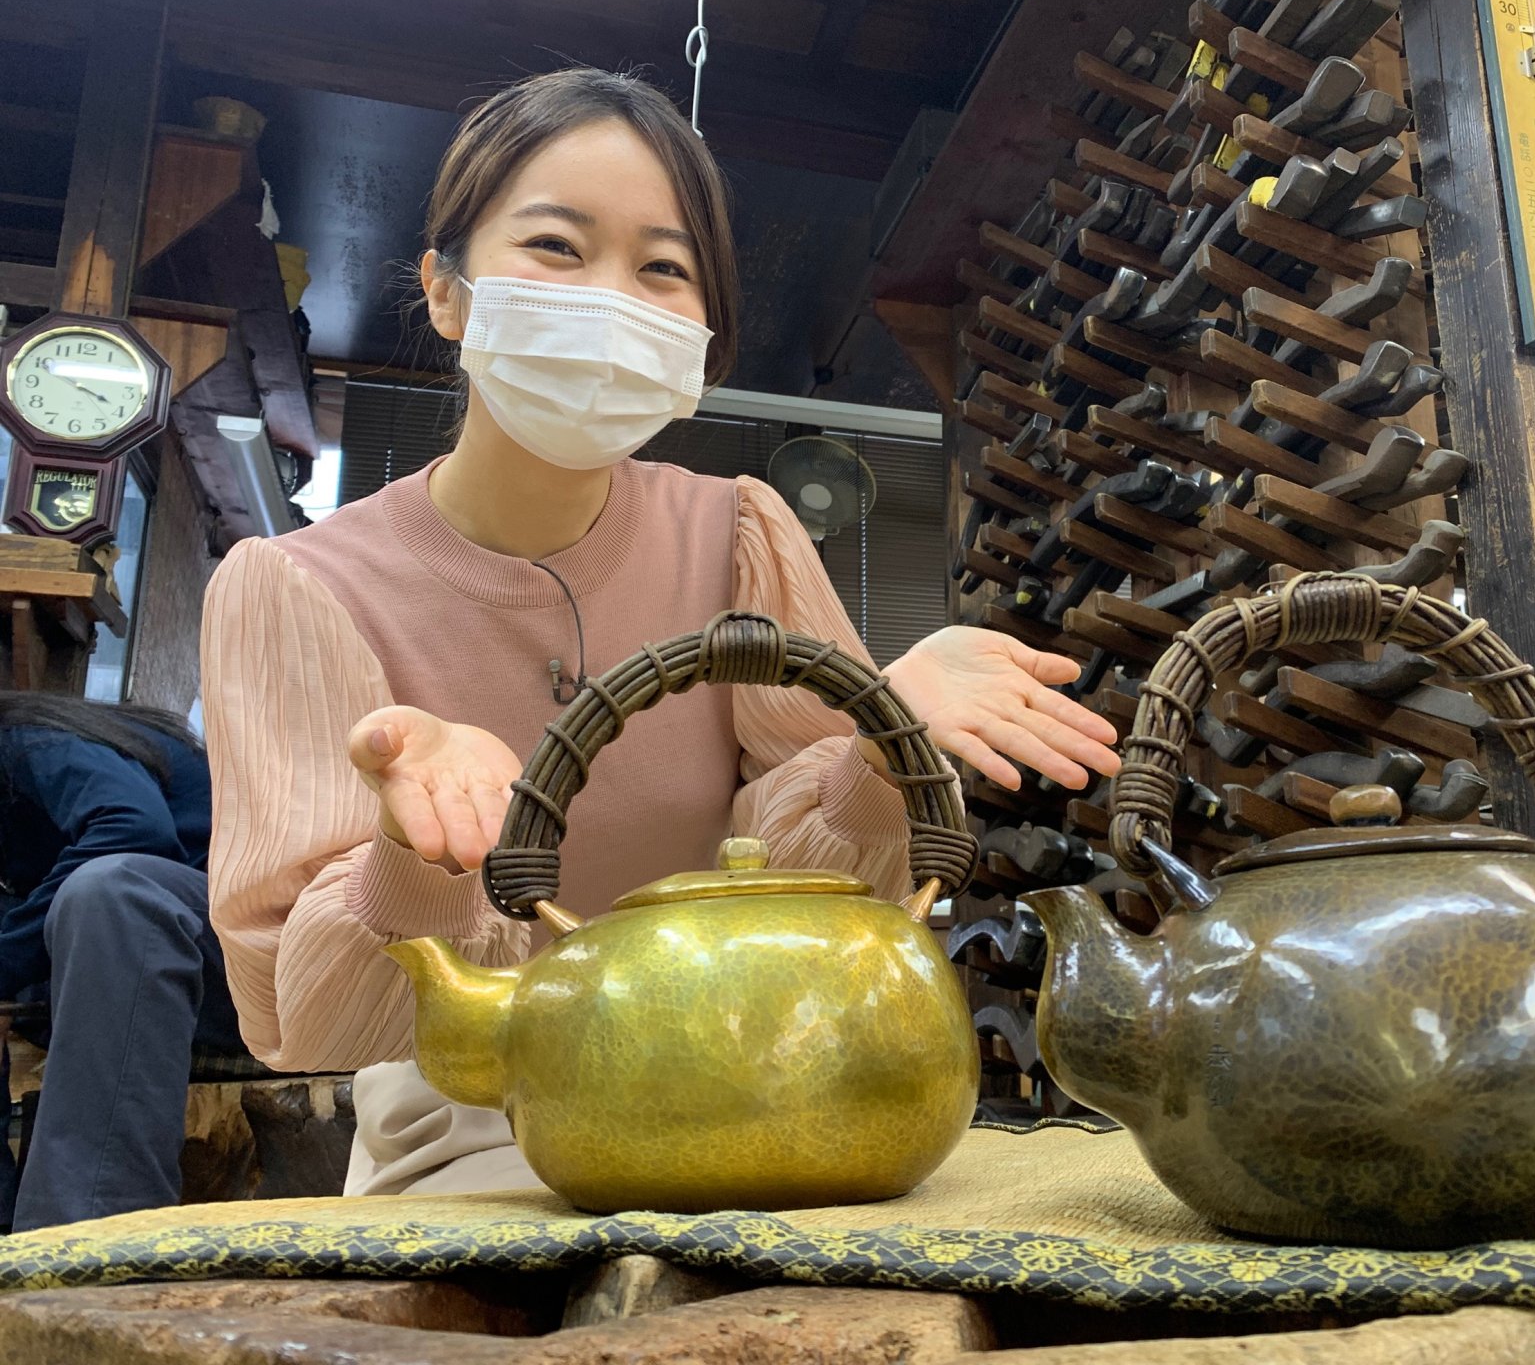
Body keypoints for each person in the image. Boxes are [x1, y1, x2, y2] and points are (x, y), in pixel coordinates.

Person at [200, 67, 1123, 1197]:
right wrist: (415, 851)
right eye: (555, 246)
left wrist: (885, 749)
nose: (611, 301)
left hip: (772, 1095)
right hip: (479, 1133)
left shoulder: (740, 534)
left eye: (663, 269)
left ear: (702, 335)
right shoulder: (299, 589)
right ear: (446, 292)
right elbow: (296, 1020)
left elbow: (824, 908)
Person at [0, 691, 246, 1230]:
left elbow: (134, 827)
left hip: (270, 959)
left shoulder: (25, 742)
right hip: (168, 976)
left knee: (113, 892)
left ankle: (86, 1248)